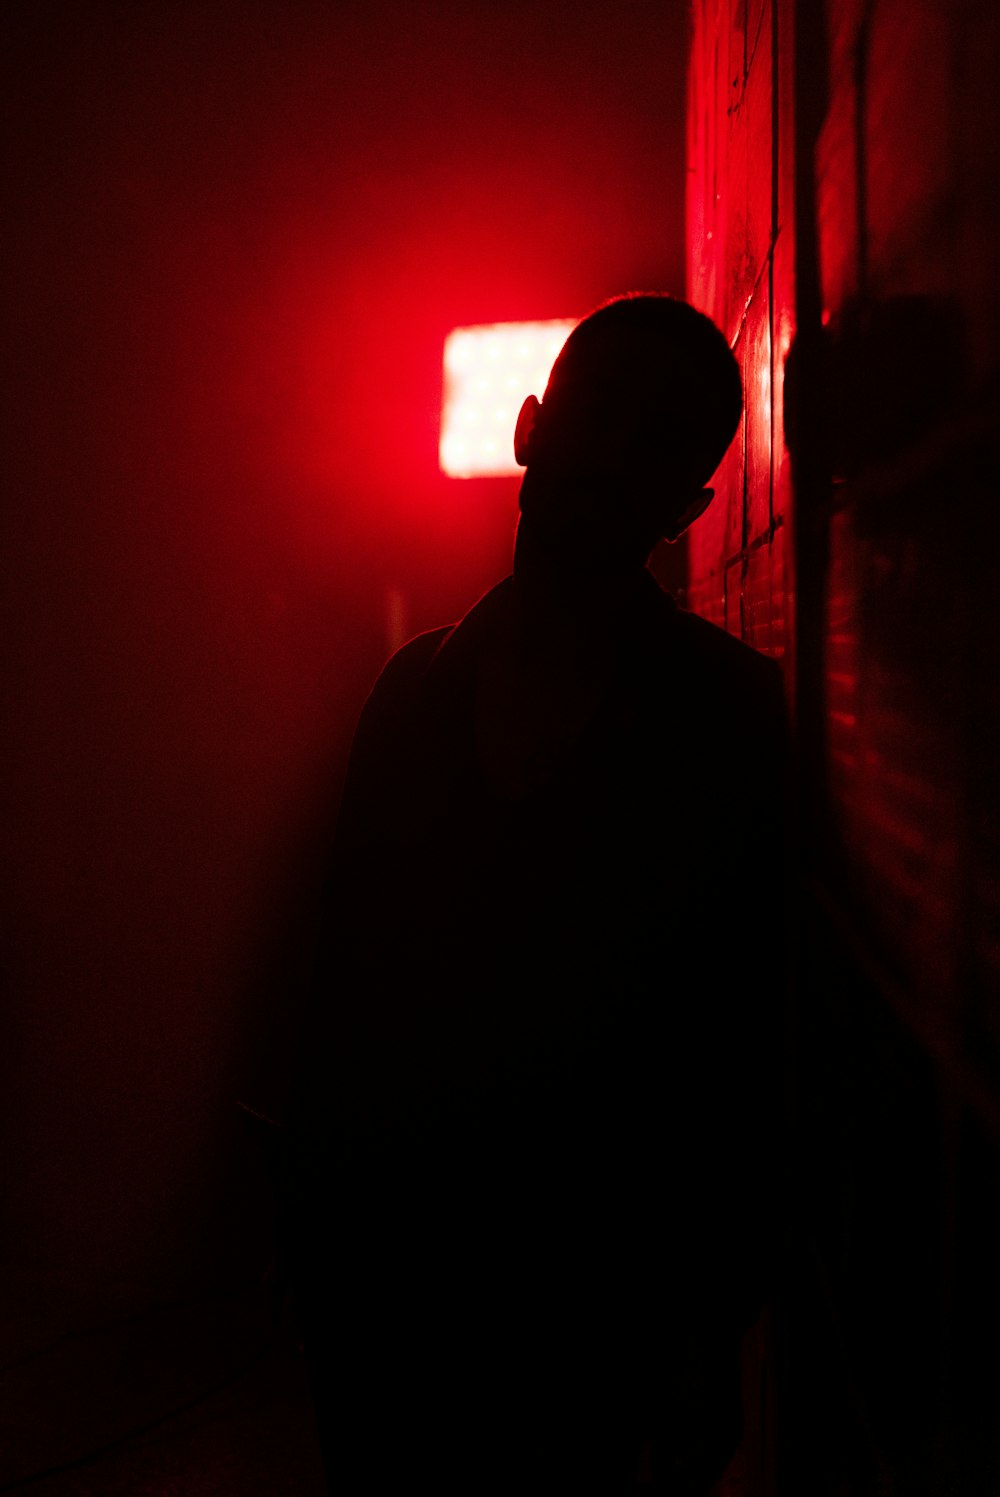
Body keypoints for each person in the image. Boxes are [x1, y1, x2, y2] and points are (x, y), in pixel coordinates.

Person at [279, 292, 787, 1497]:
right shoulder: (411, 696)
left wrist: (702, 1331)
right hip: (395, 1305)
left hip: (589, 1330)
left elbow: (745, 1042)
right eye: (603, 414)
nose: (614, 456)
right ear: (529, 426)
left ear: (690, 504)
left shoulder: (728, 721)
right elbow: (339, 990)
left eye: (656, 438)